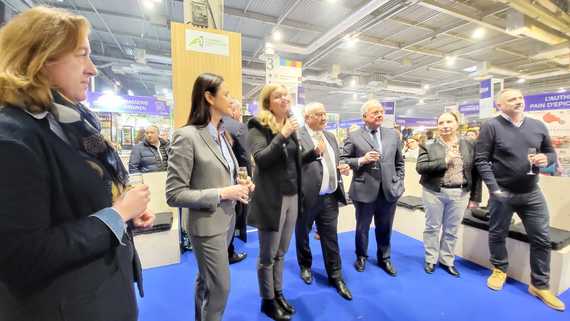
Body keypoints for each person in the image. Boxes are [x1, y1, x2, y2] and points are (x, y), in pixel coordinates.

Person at [0, 7, 154, 321]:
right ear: (39, 59)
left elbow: (79, 206)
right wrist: (117, 214)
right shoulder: (12, 138)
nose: (93, 69)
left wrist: (125, 216)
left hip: (103, 295)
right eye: (81, 55)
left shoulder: (73, 125)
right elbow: (22, 256)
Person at [165, 73, 253, 321]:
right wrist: (223, 192)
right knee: (220, 288)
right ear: (208, 97)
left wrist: (241, 184)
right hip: (206, 227)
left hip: (226, 222)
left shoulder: (223, 134)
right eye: (226, 94)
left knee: (206, 280)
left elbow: (224, 174)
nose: (232, 99)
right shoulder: (187, 136)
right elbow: (174, 194)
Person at [475, 88, 565, 311]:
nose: (518, 102)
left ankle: (540, 285)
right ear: (499, 105)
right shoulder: (491, 126)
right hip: (502, 193)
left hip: (532, 193)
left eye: (520, 98)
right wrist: (494, 189)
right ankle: (499, 269)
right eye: (511, 99)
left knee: (541, 238)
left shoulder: (537, 125)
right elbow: (481, 160)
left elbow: (551, 153)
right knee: (497, 233)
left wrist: (548, 158)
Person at [247, 84, 301, 321]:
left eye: (286, 95)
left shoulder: (290, 122)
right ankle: (267, 300)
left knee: (281, 252)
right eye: (278, 96)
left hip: (292, 196)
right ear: (268, 102)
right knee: (267, 255)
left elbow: (293, 160)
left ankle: (278, 293)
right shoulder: (257, 124)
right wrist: (284, 134)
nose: (284, 99)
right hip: (271, 197)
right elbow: (261, 158)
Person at [295, 102, 352, 300]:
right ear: (307, 117)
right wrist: (313, 153)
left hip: (329, 197)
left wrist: (341, 168)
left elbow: (333, 163)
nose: (324, 117)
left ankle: (336, 276)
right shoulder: (297, 135)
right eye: (318, 114)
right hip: (306, 198)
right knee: (302, 234)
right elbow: (290, 164)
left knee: (331, 238)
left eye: (325, 114)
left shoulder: (330, 137)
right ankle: (305, 266)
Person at [341, 100, 405, 275]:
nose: (379, 115)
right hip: (363, 191)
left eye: (381, 112)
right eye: (375, 112)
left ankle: (384, 258)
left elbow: (399, 162)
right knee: (362, 227)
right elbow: (343, 160)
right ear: (364, 117)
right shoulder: (354, 136)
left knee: (385, 227)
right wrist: (362, 160)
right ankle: (361, 256)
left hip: (388, 191)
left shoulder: (393, 135)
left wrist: (399, 183)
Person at [416, 112, 481, 277]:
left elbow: (476, 172)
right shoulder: (428, 144)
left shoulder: (469, 144)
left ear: (457, 123)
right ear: (437, 126)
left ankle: (447, 260)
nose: (445, 125)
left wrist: (475, 197)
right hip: (434, 192)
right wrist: (445, 160)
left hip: (460, 193)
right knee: (432, 227)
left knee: (452, 229)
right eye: (441, 122)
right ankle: (431, 259)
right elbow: (421, 167)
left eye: (449, 121)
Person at [223, 98, 249, 264]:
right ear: (234, 110)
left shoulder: (217, 127)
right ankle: (229, 251)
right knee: (234, 214)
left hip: (223, 181)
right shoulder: (237, 127)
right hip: (237, 180)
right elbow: (246, 155)